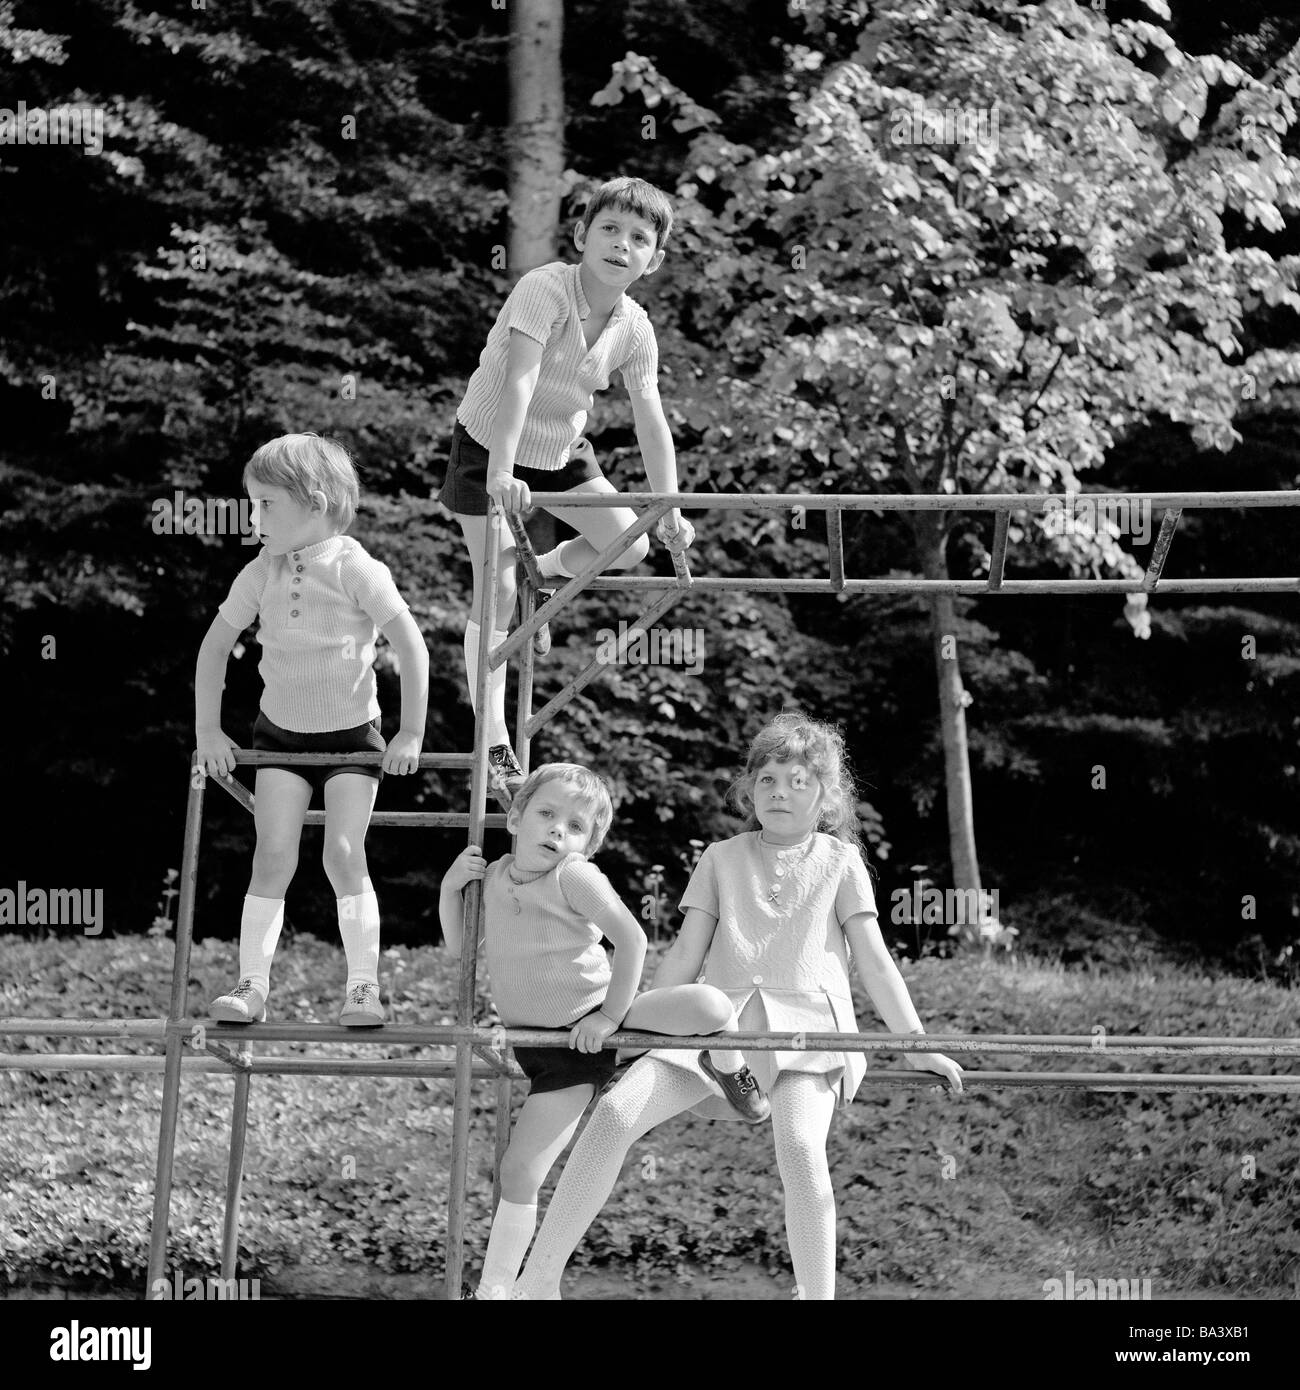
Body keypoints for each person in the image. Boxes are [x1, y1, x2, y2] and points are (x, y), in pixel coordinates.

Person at [512, 713, 964, 1301]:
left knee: (801, 1149)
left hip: (807, 1035)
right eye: (769, 779)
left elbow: (875, 962)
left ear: (826, 795)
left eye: (798, 781)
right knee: (615, 1115)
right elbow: (682, 958)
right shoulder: (722, 857)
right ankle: (534, 1283)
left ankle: (816, 1295)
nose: (780, 792)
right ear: (749, 788)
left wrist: (916, 1044)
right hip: (714, 1030)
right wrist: (635, 1027)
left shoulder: (840, 860)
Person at [440, 761, 768, 1299]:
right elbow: (459, 949)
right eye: (546, 814)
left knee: (711, 1005)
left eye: (575, 828)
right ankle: (504, 1287)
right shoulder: (495, 876)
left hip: (590, 1026)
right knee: (518, 1171)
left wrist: (609, 1018)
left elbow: (633, 940)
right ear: (515, 819)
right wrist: (452, 886)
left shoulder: (574, 876)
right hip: (539, 1044)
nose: (557, 831)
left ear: (587, 846)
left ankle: (730, 1067)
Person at [439, 176, 695, 795]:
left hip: (558, 451)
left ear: (653, 260)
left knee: (629, 545)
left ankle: (544, 572)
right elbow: (519, 384)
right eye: (608, 229)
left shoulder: (635, 328)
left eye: (638, 238)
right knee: (495, 590)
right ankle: (495, 743)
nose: (620, 245)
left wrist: (667, 508)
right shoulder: (543, 288)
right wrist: (501, 472)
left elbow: (650, 418)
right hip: (488, 444)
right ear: (582, 235)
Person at [194, 432, 429, 1027]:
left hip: (352, 736)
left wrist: (410, 734)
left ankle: (362, 989)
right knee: (273, 854)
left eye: (267, 504)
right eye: (252, 504)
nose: (254, 517)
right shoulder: (259, 571)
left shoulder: (356, 567)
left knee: (343, 852)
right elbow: (214, 648)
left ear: (316, 502)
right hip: (282, 738)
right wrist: (209, 732)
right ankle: (251, 986)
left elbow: (411, 645)